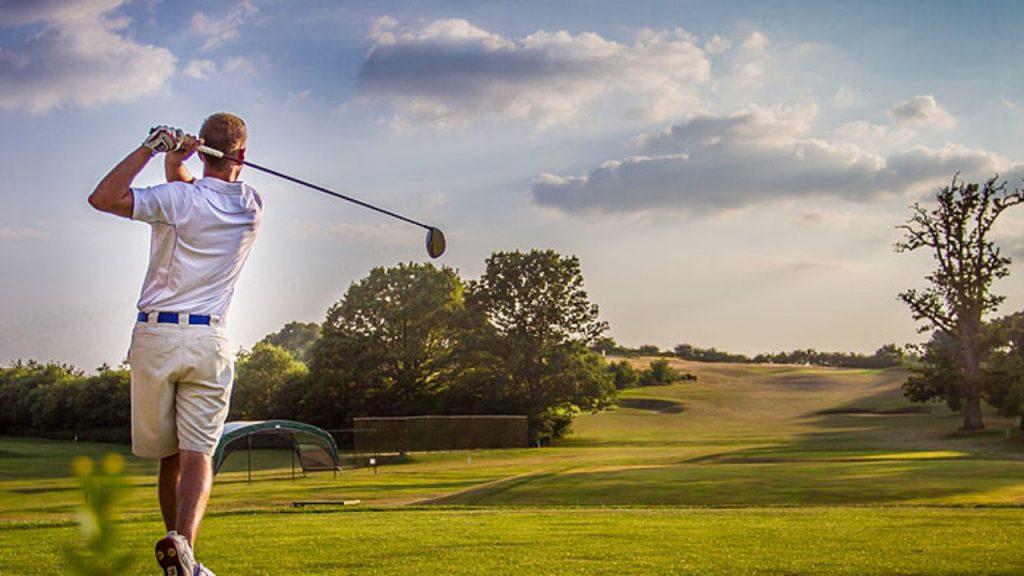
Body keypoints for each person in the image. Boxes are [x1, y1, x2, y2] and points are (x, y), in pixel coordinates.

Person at [89, 113, 263, 576]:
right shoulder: (251, 204)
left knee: (169, 455)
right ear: (241, 155)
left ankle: (180, 558)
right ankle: (182, 546)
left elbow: (103, 198)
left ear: (203, 149)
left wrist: (155, 148)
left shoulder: (177, 199)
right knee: (197, 454)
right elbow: (193, 193)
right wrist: (178, 159)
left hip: (155, 336)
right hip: (210, 339)